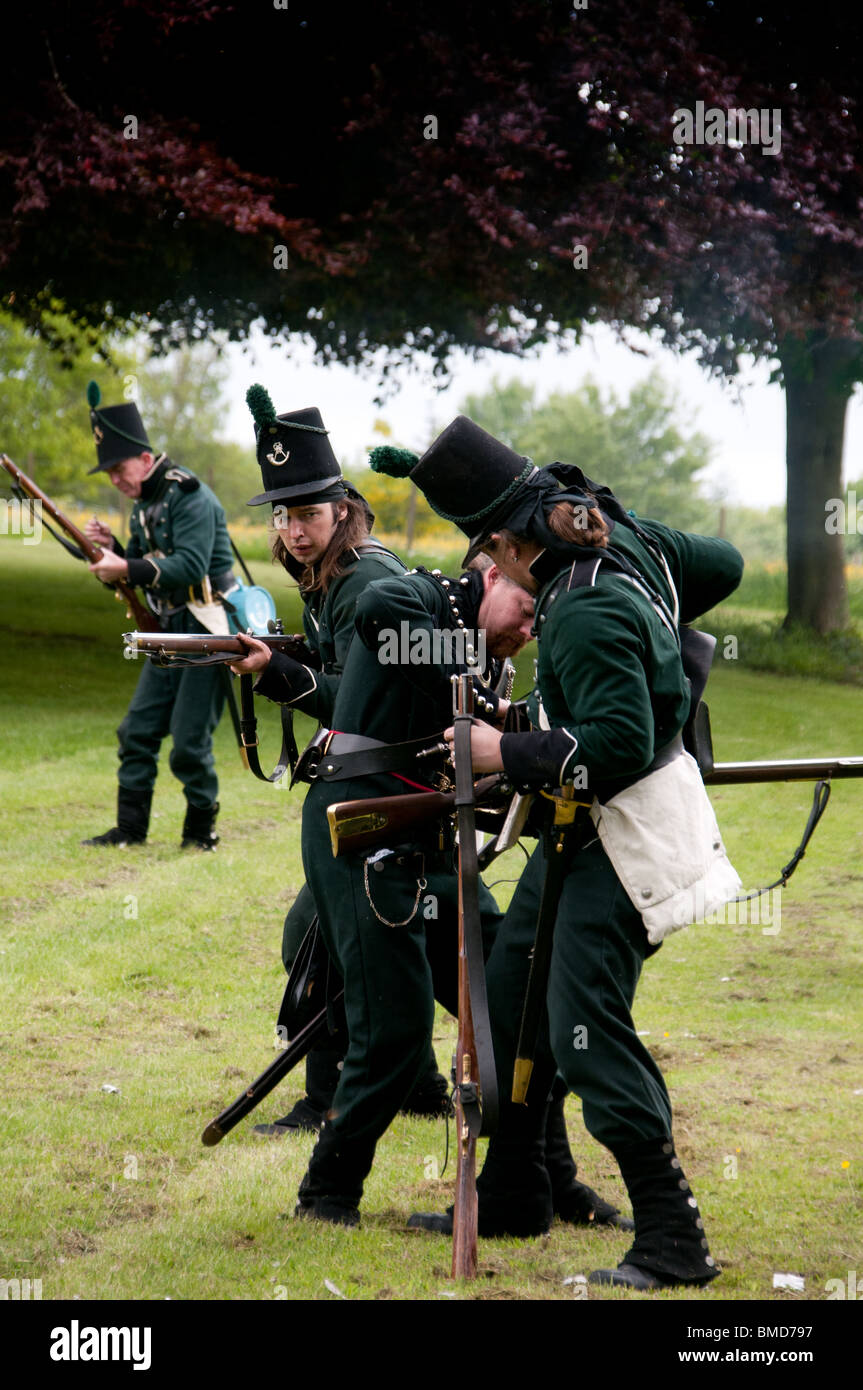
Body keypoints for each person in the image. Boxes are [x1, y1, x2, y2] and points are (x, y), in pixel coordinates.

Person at [401, 415, 744, 1288]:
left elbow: (619, 746)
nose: (484, 573)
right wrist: (646, 639)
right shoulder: (627, 540)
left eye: (485, 554)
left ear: (508, 543)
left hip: (622, 836)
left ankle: (674, 1235)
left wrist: (497, 751)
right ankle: (516, 1191)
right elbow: (723, 565)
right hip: (570, 825)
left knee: (585, 1037)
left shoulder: (585, 604)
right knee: (513, 994)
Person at [232, 385, 448, 1129]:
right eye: (285, 516)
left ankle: (326, 1101)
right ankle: (415, 1084)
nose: (293, 529)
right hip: (398, 781)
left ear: (342, 511)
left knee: (322, 937)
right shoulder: (332, 579)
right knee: (376, 937)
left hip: (403, 784)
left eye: (308, 514)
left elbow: (361, 709)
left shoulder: (363, 584)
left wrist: (282, 678)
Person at [82, 382, 234, 850]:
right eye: (109, 472)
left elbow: (188, 565)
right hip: (167, 630)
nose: (115, 480)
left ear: (145, 461)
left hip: (207, 628)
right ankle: (129, 831)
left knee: (189, 743)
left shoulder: (188, 495)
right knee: (138, 731)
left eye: (120, 468)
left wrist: (125, 565)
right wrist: (114, 552)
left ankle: (200, 832)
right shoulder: (144, 505)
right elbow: (144, 567)